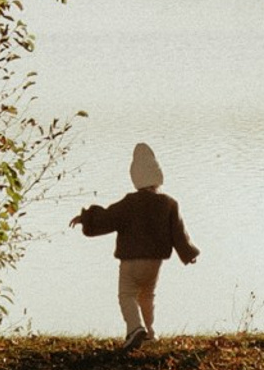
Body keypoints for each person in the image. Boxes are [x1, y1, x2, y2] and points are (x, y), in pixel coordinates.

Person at [72, 142, 199, 351]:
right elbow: (179, 233)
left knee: (127, 294)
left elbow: (108, 218)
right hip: (154, 262)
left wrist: (86, 218)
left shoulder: (130, 203)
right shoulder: (169, 203)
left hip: (131, 260)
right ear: (158, 177)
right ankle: (149, 331)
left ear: (136, 178)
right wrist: (188, 253)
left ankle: (134, 328)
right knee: (147, 295)